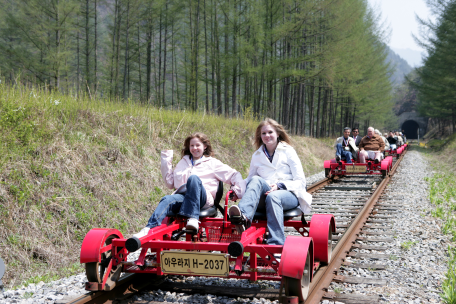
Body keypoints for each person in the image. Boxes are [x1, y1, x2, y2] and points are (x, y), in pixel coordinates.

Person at [132, 132, 246, 238]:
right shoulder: (183, 162)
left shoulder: (212, 163)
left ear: (205, 146)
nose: (194, 148)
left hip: (203, 199)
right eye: (192, 145)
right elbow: (170, 183)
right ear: (189, 147)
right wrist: (166, 160)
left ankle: (193, 219)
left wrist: (237, 190)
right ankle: (148, 229)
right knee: (167, 199)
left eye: (198, 145)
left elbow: (234, 175)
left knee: (193, 179)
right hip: (184, 197)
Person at [228, 118, 310, 246]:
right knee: (256, 179)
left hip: (288, 194)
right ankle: (243, 217)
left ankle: (276, 243)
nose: (267, 136)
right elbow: (250, 180)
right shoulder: (257, 155)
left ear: (278, 133)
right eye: (263, 133)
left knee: (273, 196)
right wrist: (237, 190)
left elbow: (301, 181)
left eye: (270, 132)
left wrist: (280, 185)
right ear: (260, 136)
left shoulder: (288, 151)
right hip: (265, 194)